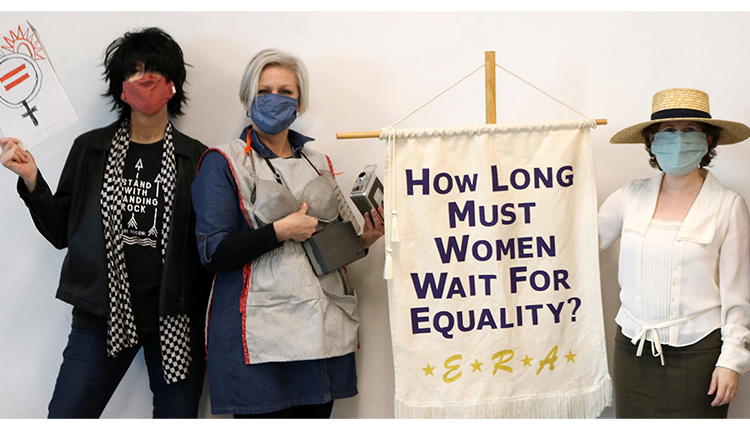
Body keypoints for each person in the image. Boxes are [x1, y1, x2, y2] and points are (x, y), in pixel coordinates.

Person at [0, 27, 211, 418]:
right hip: (100, 314)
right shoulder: (90, 150)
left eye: (155, 73)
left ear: (173, 85)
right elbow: (62, 232)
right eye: (134, 73)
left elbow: (208, 243)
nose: (144, 81)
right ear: (119, 88)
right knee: (67, 416)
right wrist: (32, 179)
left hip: (175, 318)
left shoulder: (197, 158)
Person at [191, 48, 384, 418]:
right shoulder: (223, 162)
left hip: (319, 333)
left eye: (286, 92)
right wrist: (278, 231)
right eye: (264, 91)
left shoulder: (317, 161)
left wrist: (362, 242)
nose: (274, 100)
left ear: (300, 103)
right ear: (247, 98)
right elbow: (214, 254)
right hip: (259, 342)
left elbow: (322, 251)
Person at [599, 88, 750, 418]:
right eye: (668, 130)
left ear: (709, 141)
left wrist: (732, 361)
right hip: (632, 347)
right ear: (651, 140)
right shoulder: (629, 196)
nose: (678, 139)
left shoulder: (729, 206)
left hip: (698, 353)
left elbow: (738, 295)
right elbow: (578, 240)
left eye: (689, 130)